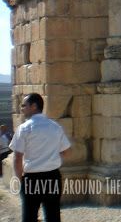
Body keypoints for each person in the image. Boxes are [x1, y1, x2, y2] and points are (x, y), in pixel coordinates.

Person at [9, 93, 71, 222]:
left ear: (34, 106)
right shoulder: (55, 127)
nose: (21, 108)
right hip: (53, 176)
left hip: (32, 178)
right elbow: (66, 151)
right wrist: (51, 158)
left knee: (29, 216)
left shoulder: (24, 129)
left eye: (24, 105)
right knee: (53, 215)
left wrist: (20, 180)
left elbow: (17, 157)